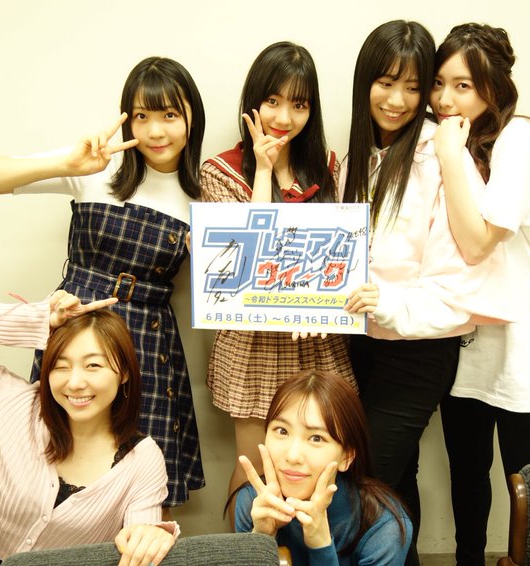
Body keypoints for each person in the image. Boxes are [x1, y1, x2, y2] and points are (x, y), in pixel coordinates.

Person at [0, 57, 206, 508]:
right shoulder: (98, 168)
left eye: (170, 115)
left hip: (147, 344)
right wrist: (68, 162)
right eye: (142, 116)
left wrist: (207, 257)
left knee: (139, 482)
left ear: (192, 117)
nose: (155, 131)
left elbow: (232, 288)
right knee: (56, 464)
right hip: (75, 327)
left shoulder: (202, 195)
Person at [341, 20, 509, 565]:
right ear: (365, 82)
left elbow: (459, 283)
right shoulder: (356, 157)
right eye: (386, 83)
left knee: (366, 479)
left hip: (418, 351)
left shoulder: (442, 156)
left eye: (413, 87)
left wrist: (388, 303)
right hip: (361, 343)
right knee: (396, 483)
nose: (398, 100)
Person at [430, 23, 530, 565]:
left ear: (493, 86)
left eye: (462, 85)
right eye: (439, 83)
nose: (445, 99)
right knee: (467, 487)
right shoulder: (456, 143)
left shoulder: (520, 140)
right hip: (466, 350)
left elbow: (478, 242)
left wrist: (448, 154)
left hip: (527, 354)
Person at [199, 41, 356, 522]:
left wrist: (321, 306)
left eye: (299, 104)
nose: (284, 117)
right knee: (257, 470)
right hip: (254, 345)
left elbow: (341, 254)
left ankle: (310, 550)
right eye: (272, 101)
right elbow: (247, 263)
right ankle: (246, 554)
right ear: (253, 101)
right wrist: (264, 171)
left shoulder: (328, 165)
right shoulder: (221, 171)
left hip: (316, 340)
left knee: (316, 470)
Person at [0, 290, 179, 566]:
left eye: (93, 365)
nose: (75, 383)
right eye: (61, 366)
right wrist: (40, 318)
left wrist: (151, 537)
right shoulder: (10, 401)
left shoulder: (143, 460)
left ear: (124, 372)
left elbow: (139, 545)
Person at [236, 370, 412, 566]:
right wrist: (261, 539)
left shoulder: (383, 526)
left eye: (316, 438)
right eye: (282, 431)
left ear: (347, 456)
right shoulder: (254, 503)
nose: (293, 456)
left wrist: (320, 545)